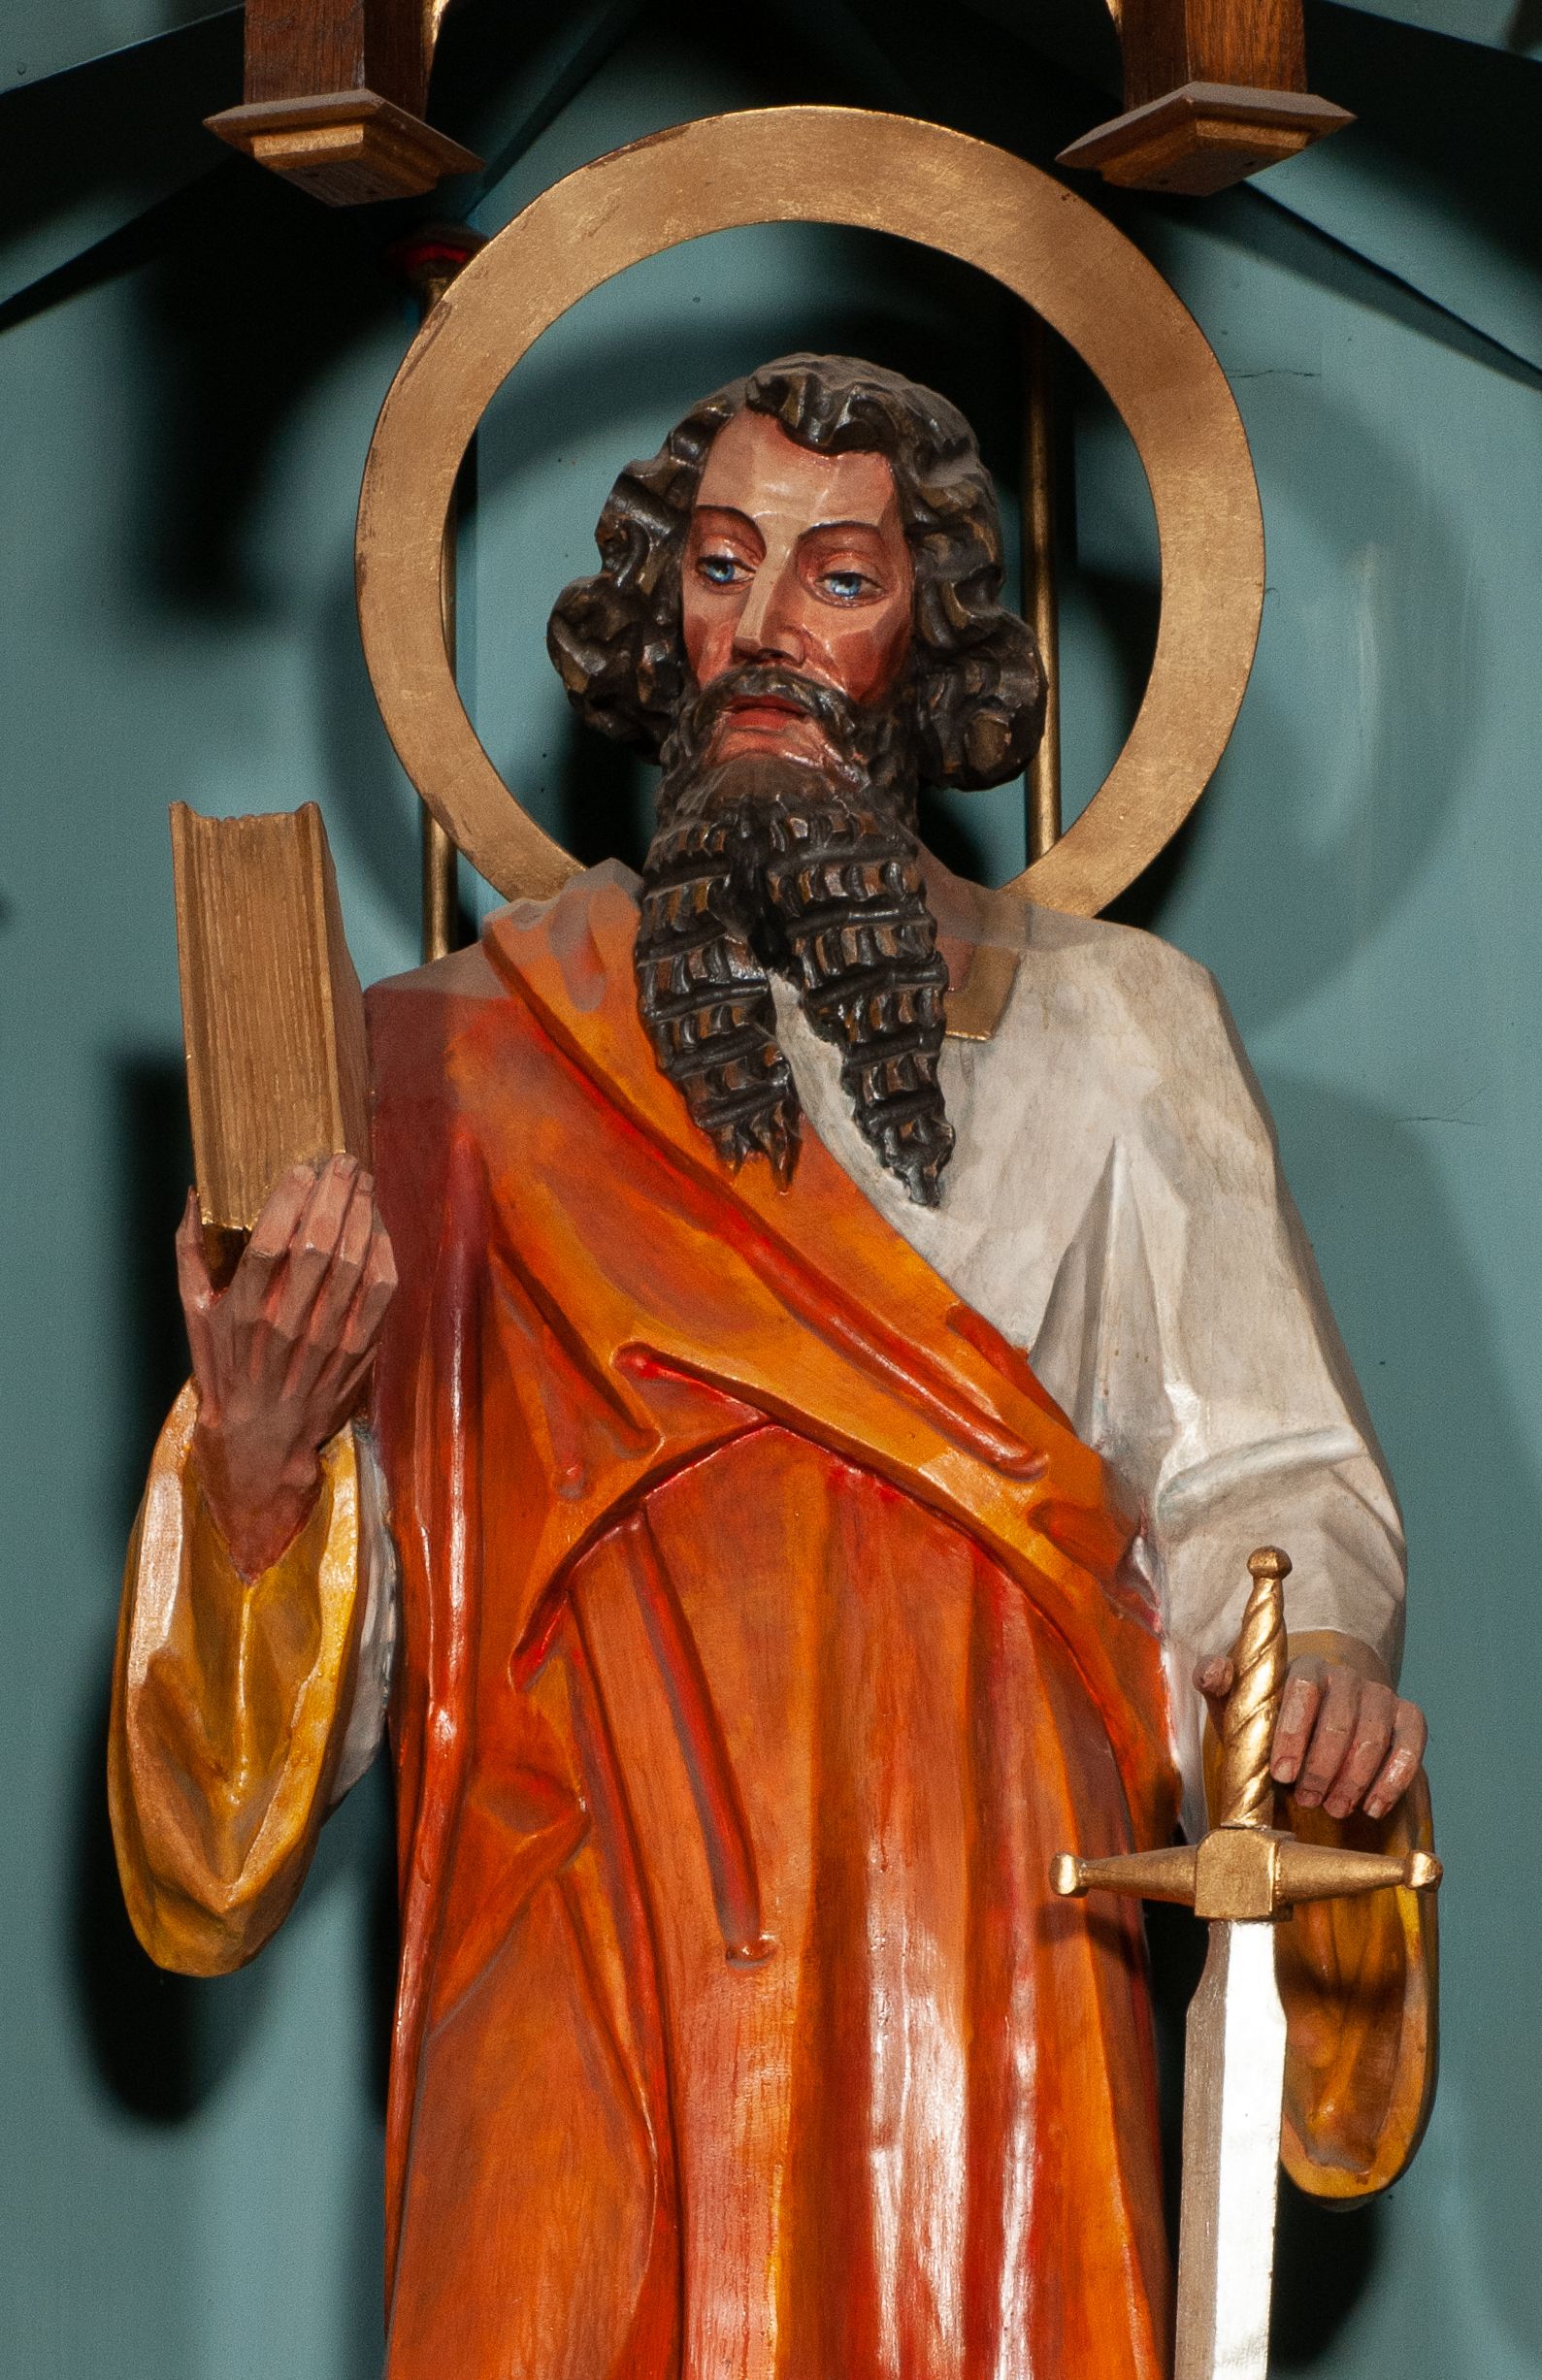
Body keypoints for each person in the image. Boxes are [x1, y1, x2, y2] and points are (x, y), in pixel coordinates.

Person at [111, 356, 1433, 2379]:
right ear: (661, 616)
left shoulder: (1114, 1028)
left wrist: (1312, 1671)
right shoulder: (455, 1063)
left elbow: (1260, 1479)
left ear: (932, 637)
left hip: (972, 1911)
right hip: (582, 1899)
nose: (764, 632)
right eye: (722, 566)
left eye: (839, 576)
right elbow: (313, 1701)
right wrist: (265, 1471)